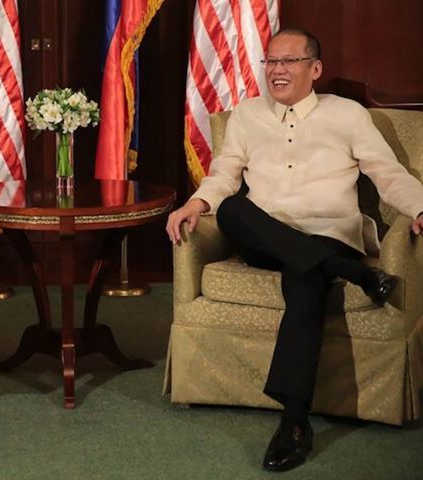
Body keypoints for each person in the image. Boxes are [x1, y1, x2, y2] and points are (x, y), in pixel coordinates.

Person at [166, 28, 423, 472]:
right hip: (263, 235)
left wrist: (421, 207)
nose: (277, 71)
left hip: (327, 233)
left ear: (315, 69)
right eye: (271, 62)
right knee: (230, 209)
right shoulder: (247, 115)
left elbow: (388, 173)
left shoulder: (348, 115)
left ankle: (294, 423)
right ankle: (356, 272)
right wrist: (196, 203)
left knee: (305, 281)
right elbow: (224, 172)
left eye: (289, 62)